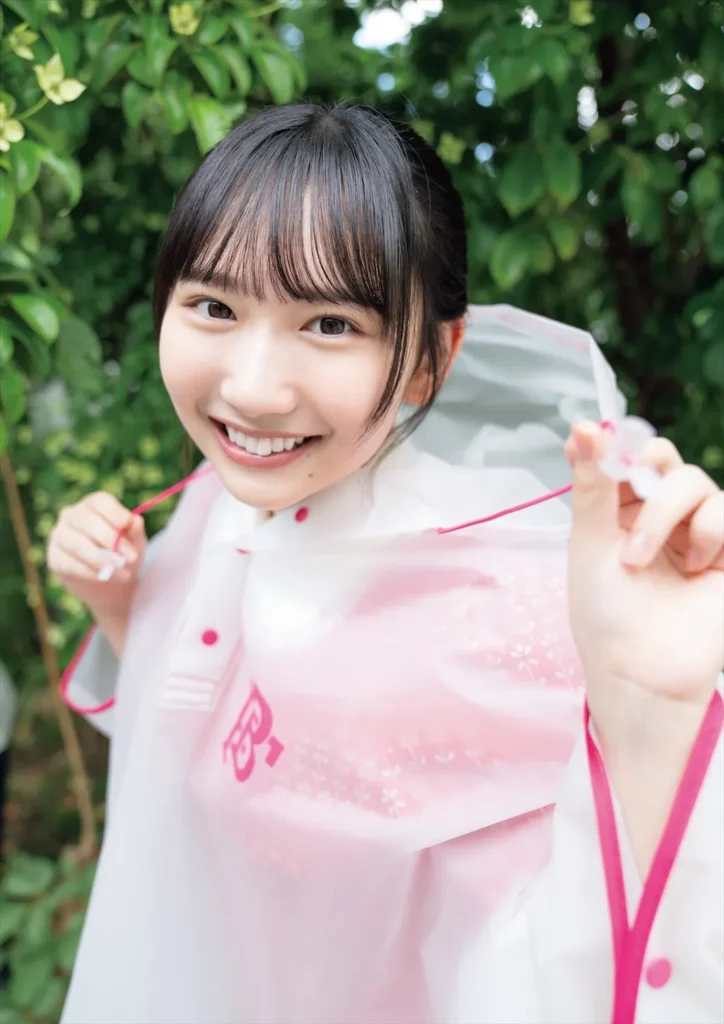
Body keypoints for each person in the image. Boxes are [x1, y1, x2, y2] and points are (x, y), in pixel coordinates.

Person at [47, 104, 723, 1024]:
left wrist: (654, 716)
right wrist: (121, 602)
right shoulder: (224, 504)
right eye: (214, 307)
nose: (252, 387)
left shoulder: (499, 607)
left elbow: (546, 959)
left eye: (328, 323)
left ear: (429, 361)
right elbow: (202, 736)